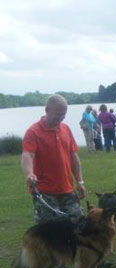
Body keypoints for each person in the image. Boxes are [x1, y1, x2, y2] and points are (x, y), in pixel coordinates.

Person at [21, 94, 86, 223]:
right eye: (58, 114)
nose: (60, 118)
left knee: (78, 225)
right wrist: (29, 173)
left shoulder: (65, 129)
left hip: (67, 188)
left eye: (63, 115)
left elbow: (73, 157)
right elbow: (27, 155)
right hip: (45, 191)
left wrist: (80, 182)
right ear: (47, 110)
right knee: (50, 231)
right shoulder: (33, 131)